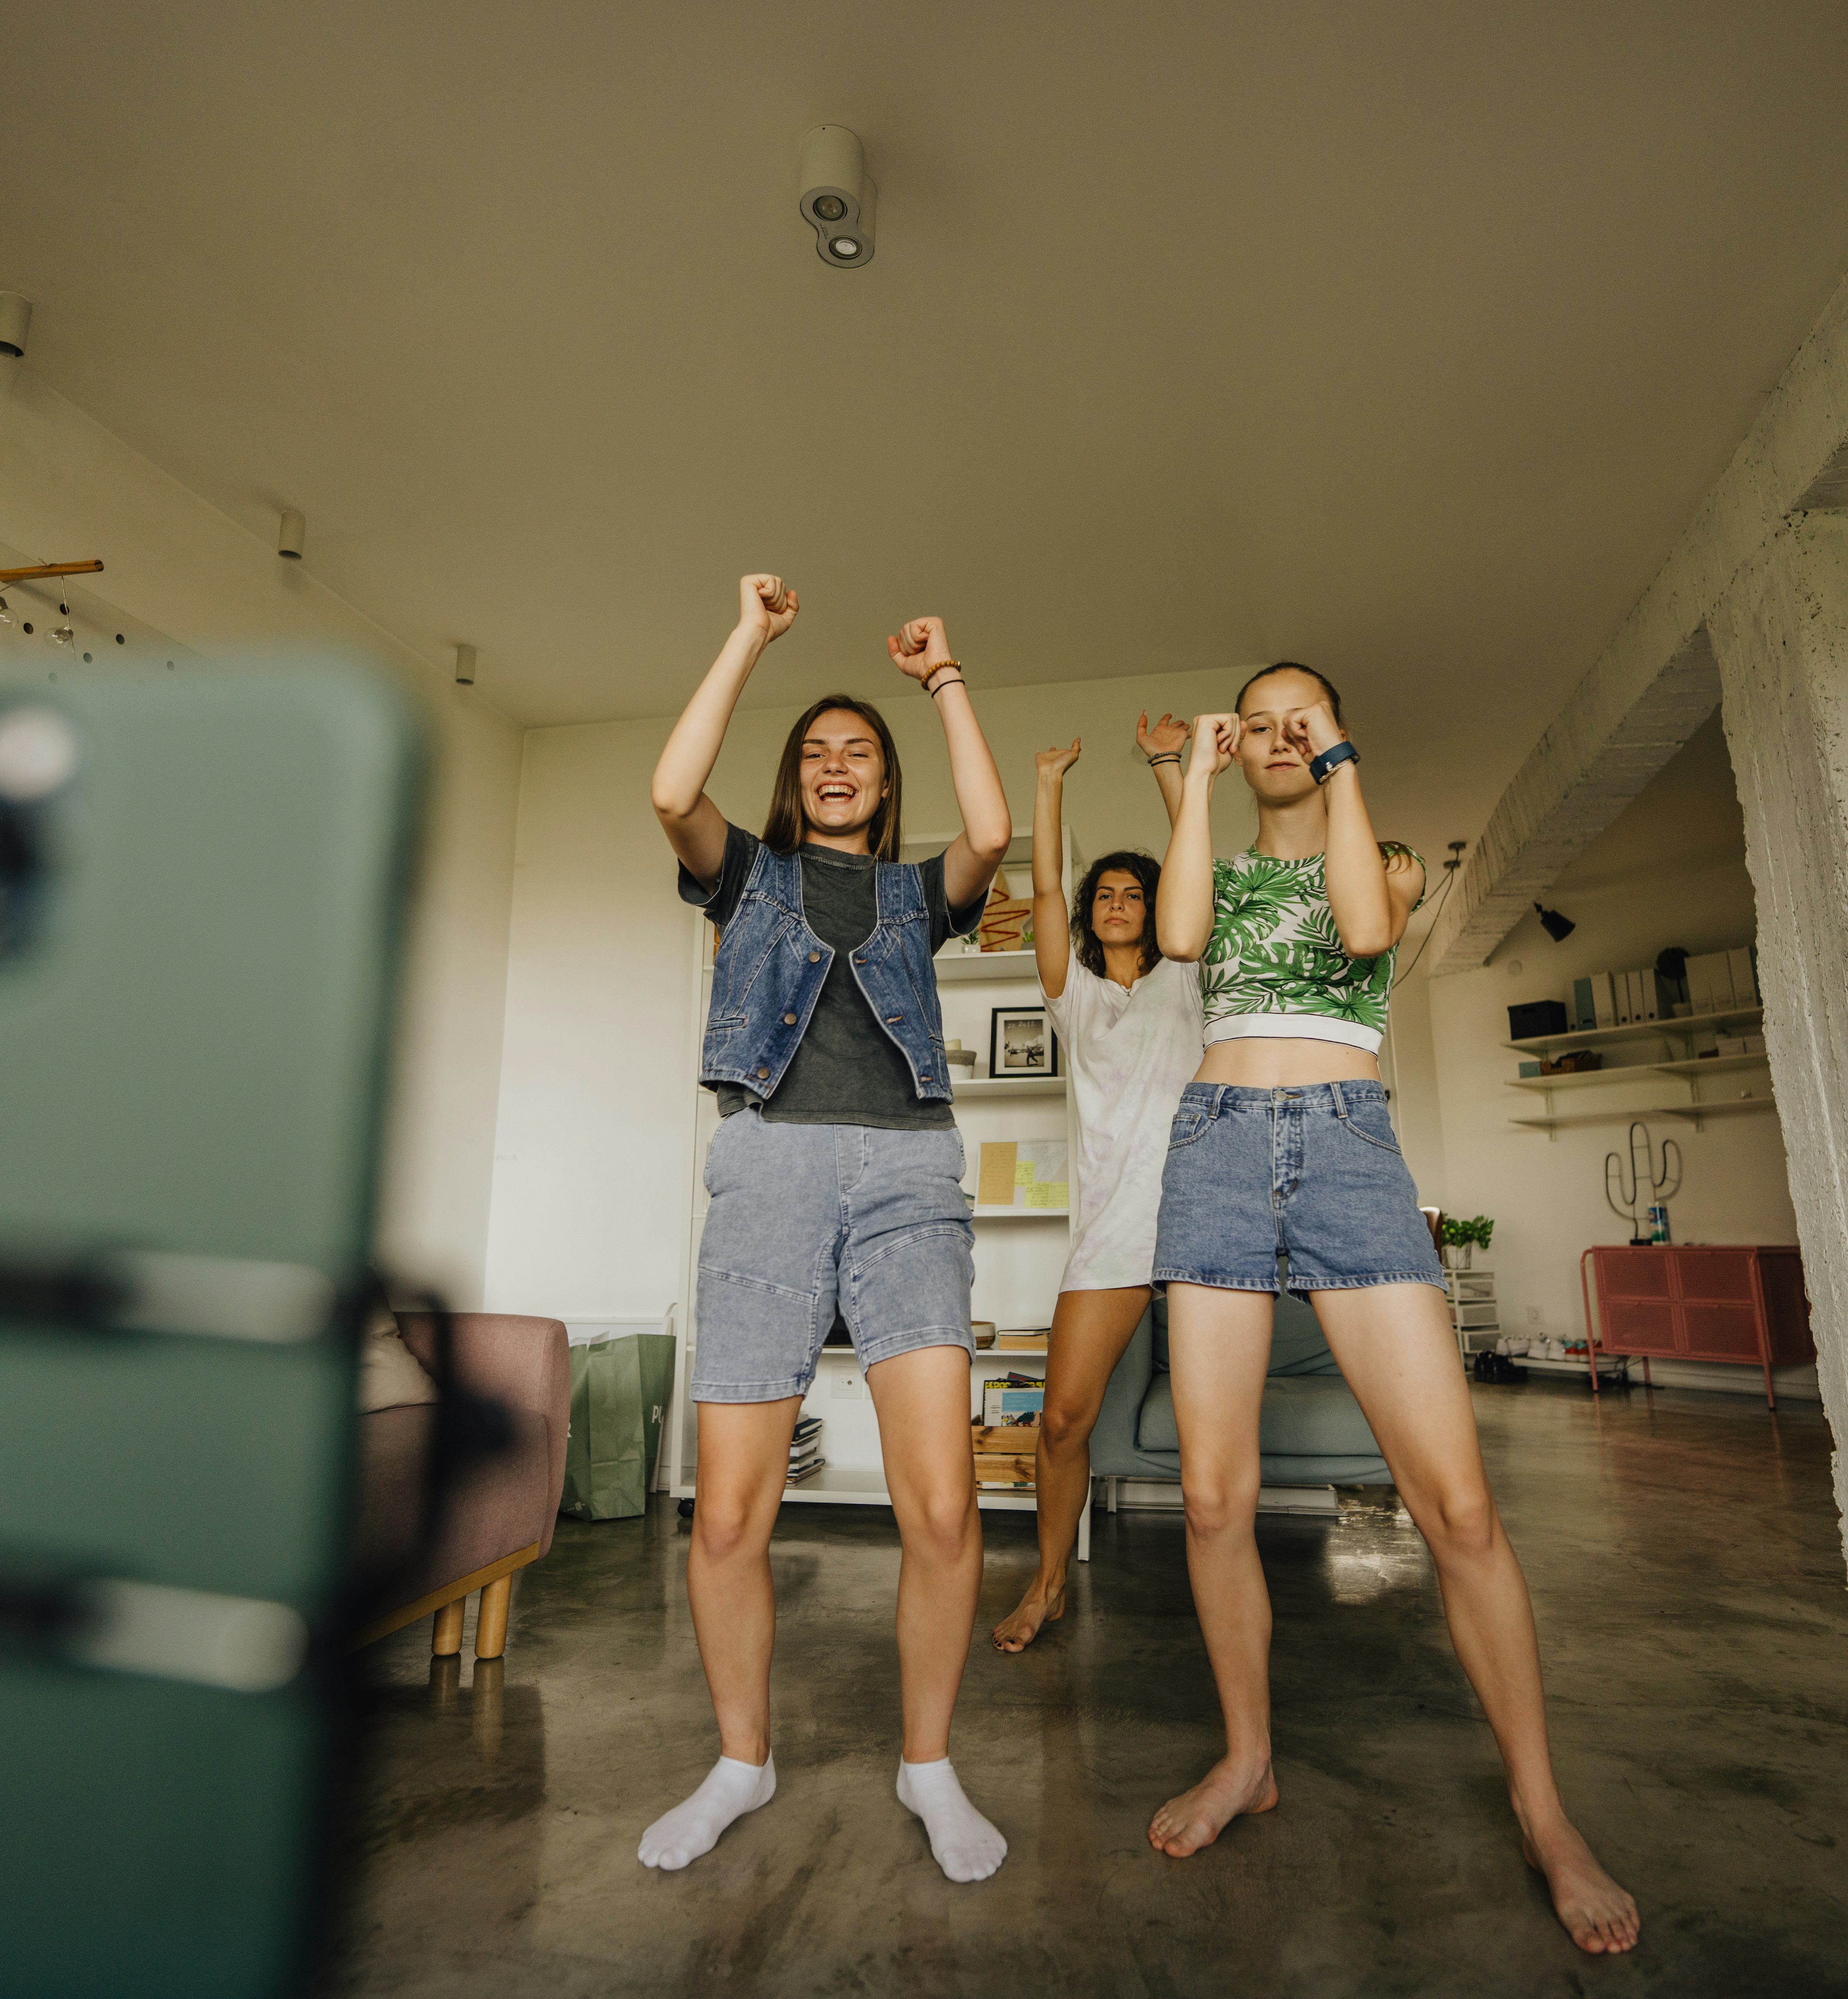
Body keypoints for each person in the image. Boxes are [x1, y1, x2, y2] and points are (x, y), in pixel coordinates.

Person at [1147, 663, 1639, 1956]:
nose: (1276, 734)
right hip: (1212, 1146)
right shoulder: (1223, 857)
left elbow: (1366, 929)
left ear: (1334, 734)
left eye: (1297, 715)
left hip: (1350, 1147)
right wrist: (1190, 779)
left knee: (1460, 1510)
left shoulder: (1389, 852)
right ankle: (1248, 1755)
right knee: (1210, 1497)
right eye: (1256, 720)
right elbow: (1183, 935)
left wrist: (1337, 758)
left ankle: (1544, 1813)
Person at [638, 572, 1016, 1886]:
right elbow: (673, 794)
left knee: (945, 1508)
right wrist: (746, 632)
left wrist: (947, 678)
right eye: (817, 751)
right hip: (769, 1167)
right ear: (797, 782)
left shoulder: (923, 893)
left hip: (911, 1174)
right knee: (731, 1514)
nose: (837, 763)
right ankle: (742, 1762)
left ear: (885, 780)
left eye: (860, 750)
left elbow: (994, 826)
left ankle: (929, 1765)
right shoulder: (744, 873)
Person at [988, 714, 1198, 1653]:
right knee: (1063, 1418)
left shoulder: (1189, 977)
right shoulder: (1072, 995)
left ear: (1158, 907)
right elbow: (1039, 889)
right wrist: (1046, 783)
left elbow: (1200, 876)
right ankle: (1046, 1585)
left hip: (1199, 1222)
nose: (1117, 901)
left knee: (1212, 1437)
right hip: (1113, 1230)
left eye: (1134, 891)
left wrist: (1169, 765)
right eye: (1104, 893)